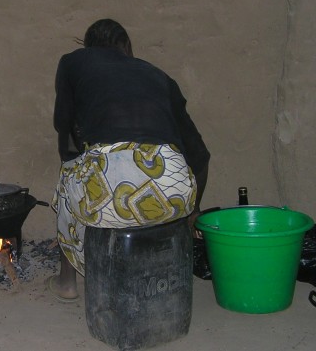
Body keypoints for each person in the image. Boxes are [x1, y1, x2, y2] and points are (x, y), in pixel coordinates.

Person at [46, 19, 210, 302]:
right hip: (172, 190)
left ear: (88, 47)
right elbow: (200, 156)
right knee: (134, 198)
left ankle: (67, 282)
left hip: (108, 194)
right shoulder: (160, 77)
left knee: (68, 176)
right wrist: (192, 211)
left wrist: (73, 171)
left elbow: (64, 126)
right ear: (127, 47)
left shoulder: (74, 62)